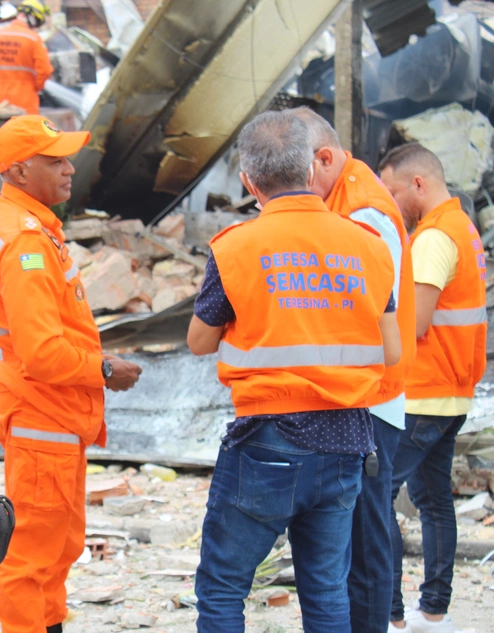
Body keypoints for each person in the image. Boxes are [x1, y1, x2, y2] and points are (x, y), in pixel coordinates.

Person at [187, 111, 401, 633]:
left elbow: (198, 342)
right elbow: (391, 349)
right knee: (326, 590)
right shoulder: (367, 245)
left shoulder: (237, 246)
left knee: (223, 588)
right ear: (311, 168)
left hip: (267, 438)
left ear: (248, 181)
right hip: (346, 439)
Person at [0, 114, 142, 633]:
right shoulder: (24, 241)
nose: (70, 169)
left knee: (58, 548)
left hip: (52, 418)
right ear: (20, 172)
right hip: (43, 415)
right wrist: (106, 368)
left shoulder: (28, 227)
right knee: (33, 558)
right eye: (56, 161)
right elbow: (43, 353)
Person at [290, 107, 417, 633]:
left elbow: (353, 315)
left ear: (323, 158)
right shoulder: (343, 194)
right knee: (350, 540)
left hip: (367, 400)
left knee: (363, 543)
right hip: (359, 397)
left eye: (294, 177)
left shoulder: (362, 213)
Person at [379, 143, 488, 633]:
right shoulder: (463, 227)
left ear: (417, 184)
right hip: (452, 391)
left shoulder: (433, 238)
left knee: (378, 498)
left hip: (422, 393)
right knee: (434, 501)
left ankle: (392, 614)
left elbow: (415, 323)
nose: (390, 201)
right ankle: (434, 613)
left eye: (393, 191)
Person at [0, 0, 54, 115]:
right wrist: (34, 86)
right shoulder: (34, 39)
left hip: (1, 101)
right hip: (26, 101)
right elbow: (45, 70)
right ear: (33, 18)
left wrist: (1, 82)